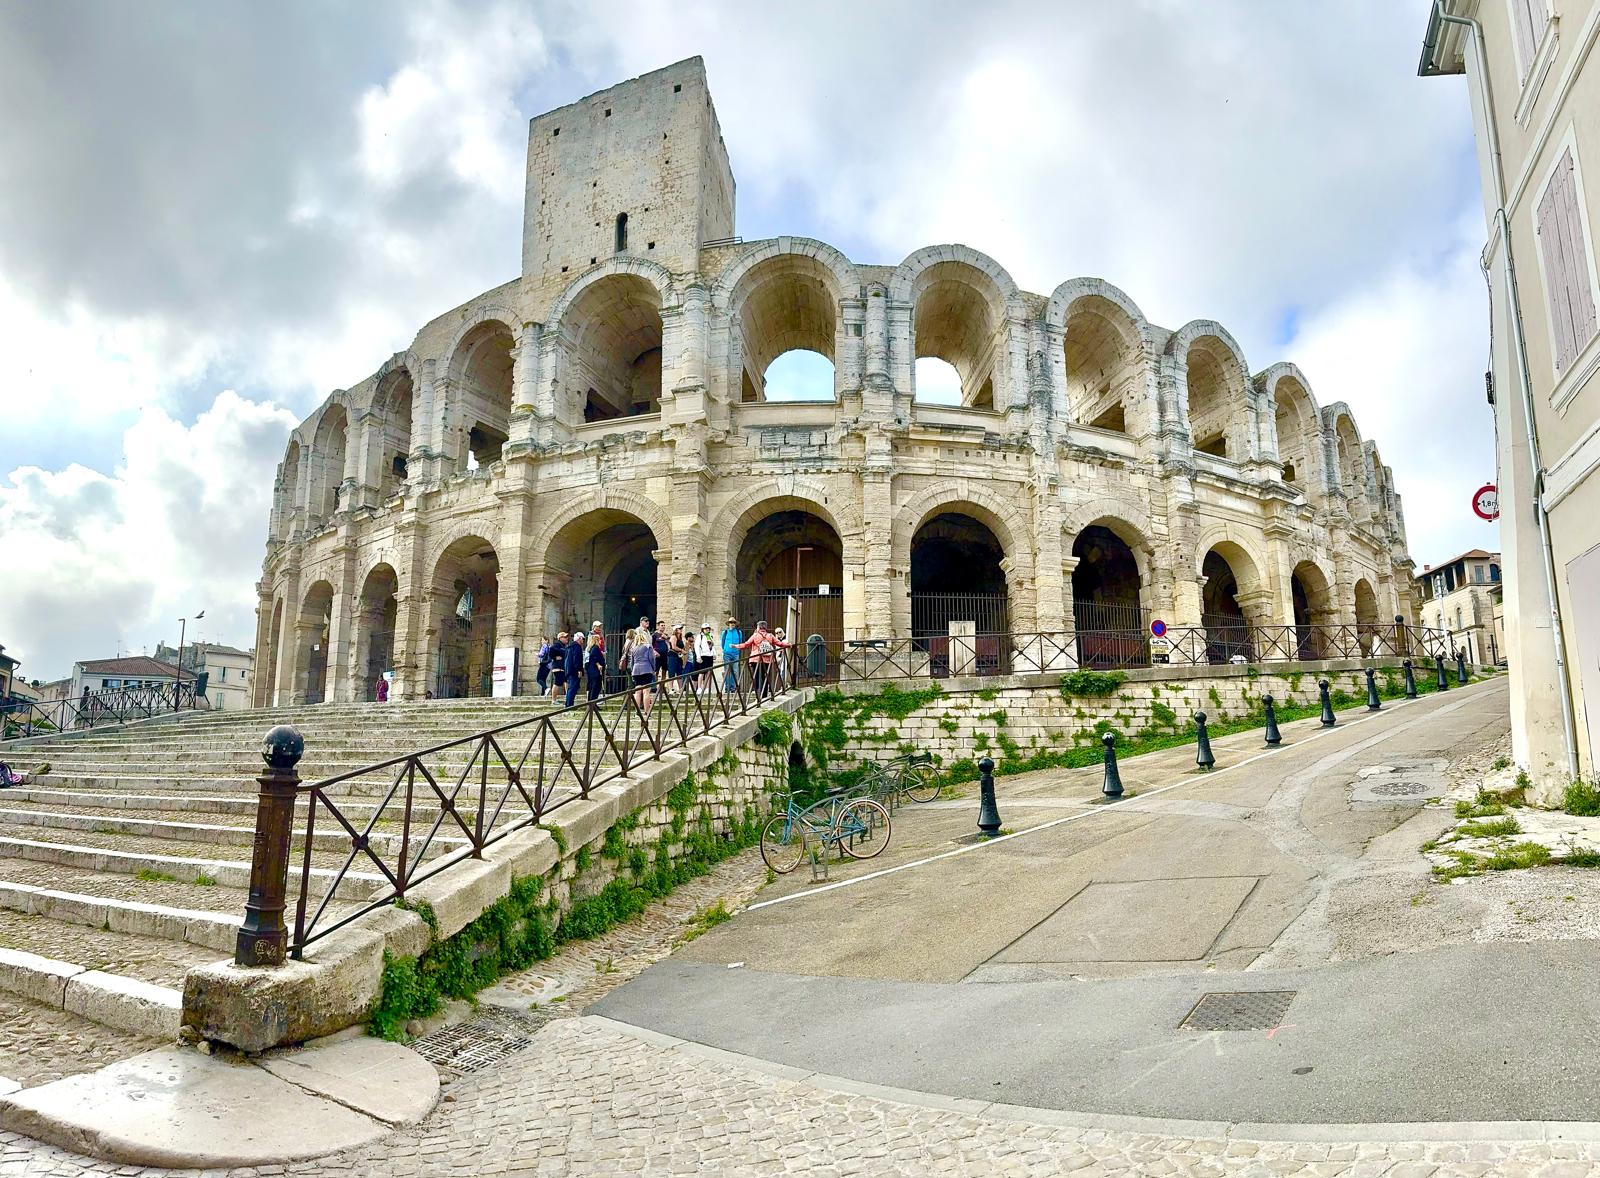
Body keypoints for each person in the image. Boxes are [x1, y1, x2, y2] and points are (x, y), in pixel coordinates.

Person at [736, 620, 779, 699]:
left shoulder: (755, 635)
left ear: (758, 627)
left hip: (756, 659)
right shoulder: (770, 635)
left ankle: (758, 694)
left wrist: (736, 646)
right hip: (767, 659)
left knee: (756, 677)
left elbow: (746, 644)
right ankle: (764, 695)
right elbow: (779, 643)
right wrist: (788, 645)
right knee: (765, 676)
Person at [627, 626, 658, 714]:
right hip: (646, 669)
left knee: (637, 691)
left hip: (636, 670)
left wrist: (633, 671)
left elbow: (632, 662)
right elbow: (651, 659)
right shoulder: (648, 647)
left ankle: (637, 711)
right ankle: (646, 711)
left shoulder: (634, 649)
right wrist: (653, 668)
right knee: (646, 691)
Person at [720, 615, 744, 693]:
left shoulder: (739, 632)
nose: (732, 624)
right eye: (731, 622)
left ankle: (733, 688)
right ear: (728, 624)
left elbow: (740, 642)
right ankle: (727, 688)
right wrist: (726, 649)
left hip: (736, 653)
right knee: (727, 670)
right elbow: (722, 643)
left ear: (735, 624)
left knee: (735, 671)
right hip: (727, 653)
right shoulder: (725, 632)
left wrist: (737, 650)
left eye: (733, 622)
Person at [564, 630, 585, 708]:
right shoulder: (577, 647)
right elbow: (577, 659)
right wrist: (579, 670)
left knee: (571, 687)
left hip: (569, 670)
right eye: (583, 639)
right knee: (573, 687)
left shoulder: (569, 647)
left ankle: (568, 703)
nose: (583, 641)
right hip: (574, 671)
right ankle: (569, 704)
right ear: (579, 638)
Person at [585, 622, 605, 701]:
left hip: (594, 668)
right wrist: (598, 664)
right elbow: (593, 657)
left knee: (594, 685)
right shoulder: (595, 647)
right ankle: (592, 701)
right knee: (595, 685)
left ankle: (592, 701)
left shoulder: (595, 647)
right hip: (595, 669)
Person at [695, 622, 717, 692]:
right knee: (701, 672)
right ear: (702, 629)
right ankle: (699, 688)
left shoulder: (710, 636)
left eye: (708, 628)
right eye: (705, 629)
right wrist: (698, 656)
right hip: (703, 655)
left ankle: (707, 688)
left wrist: (714, 654)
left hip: (710, 656)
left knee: (709, 673)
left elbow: (712, 646)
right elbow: (697, 646)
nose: (707, 630)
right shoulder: (700, 636)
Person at [548, 632, 568, 701]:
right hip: (558, 667)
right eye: (565, 637)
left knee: (566, 681)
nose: (566, 638)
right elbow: (551, 651)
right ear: (560, 638)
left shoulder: (564, 646)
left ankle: (568, 697)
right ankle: (554, 700)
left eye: (566, 637)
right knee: (558, 682)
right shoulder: (557, 645)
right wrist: (554, 657)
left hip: (563, 667)